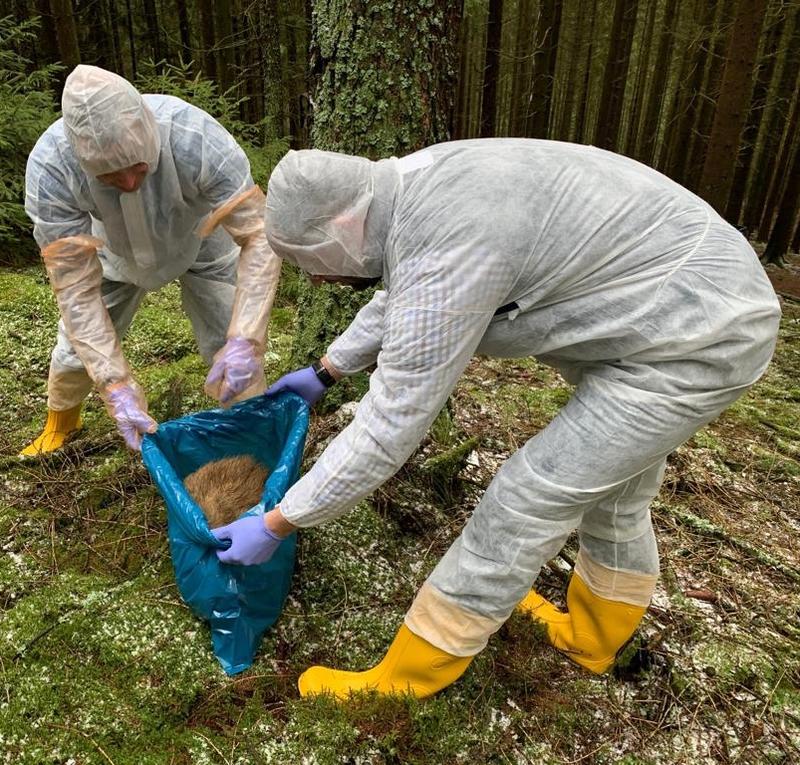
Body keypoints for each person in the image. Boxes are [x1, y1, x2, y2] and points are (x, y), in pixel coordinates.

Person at [212, 139, 781, 699]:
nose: (314, 281)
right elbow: (407, 294)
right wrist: (329, 369)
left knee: (526, 498)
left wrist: (278, 522)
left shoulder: (450, 237)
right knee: (614, 495)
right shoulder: (409, 196)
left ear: (341, 230)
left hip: (694, 339)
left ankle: (412, 674)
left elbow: (391, 423)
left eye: (311, 265)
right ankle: (591, 638)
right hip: (676, 308)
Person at [21, 65, 280, 455]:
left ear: (147, 130)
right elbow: (74, 286)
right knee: (77, 345)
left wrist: (246, 338)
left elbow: (258, 235)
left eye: (137, 167)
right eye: (109, 175)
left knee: (227, 321)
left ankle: (248, 425)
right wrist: (114, 385)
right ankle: (61, 420)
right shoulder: (52, 166)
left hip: (201, 236)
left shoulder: (195, 137)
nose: (127, 183)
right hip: (111, 248)